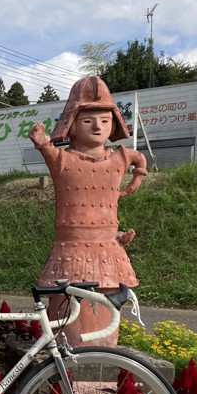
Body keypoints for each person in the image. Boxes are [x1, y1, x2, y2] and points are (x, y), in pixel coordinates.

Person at [28, 76, 147, 344]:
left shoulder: (119, 156)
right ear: (72, 124)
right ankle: (66, 370)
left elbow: (138, 157)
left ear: (114, 123)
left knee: (104, 309)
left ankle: (100, 361)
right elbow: (48, 150)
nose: (97, 126)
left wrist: (138, 174)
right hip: (69, 249)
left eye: (105, 120)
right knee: (67, 307)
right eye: (88, 120)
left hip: (108, 251)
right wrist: (41, 143)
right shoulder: (62, 159)